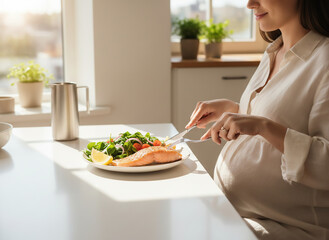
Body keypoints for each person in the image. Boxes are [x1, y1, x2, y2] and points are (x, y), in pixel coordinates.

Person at [185, 0, 329, 239]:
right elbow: (286, 117)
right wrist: (233, 109)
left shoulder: (324, 61)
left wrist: (262, 126)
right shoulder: (275, 50)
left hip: (289, 227)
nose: (250, 4)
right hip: (236, 213)